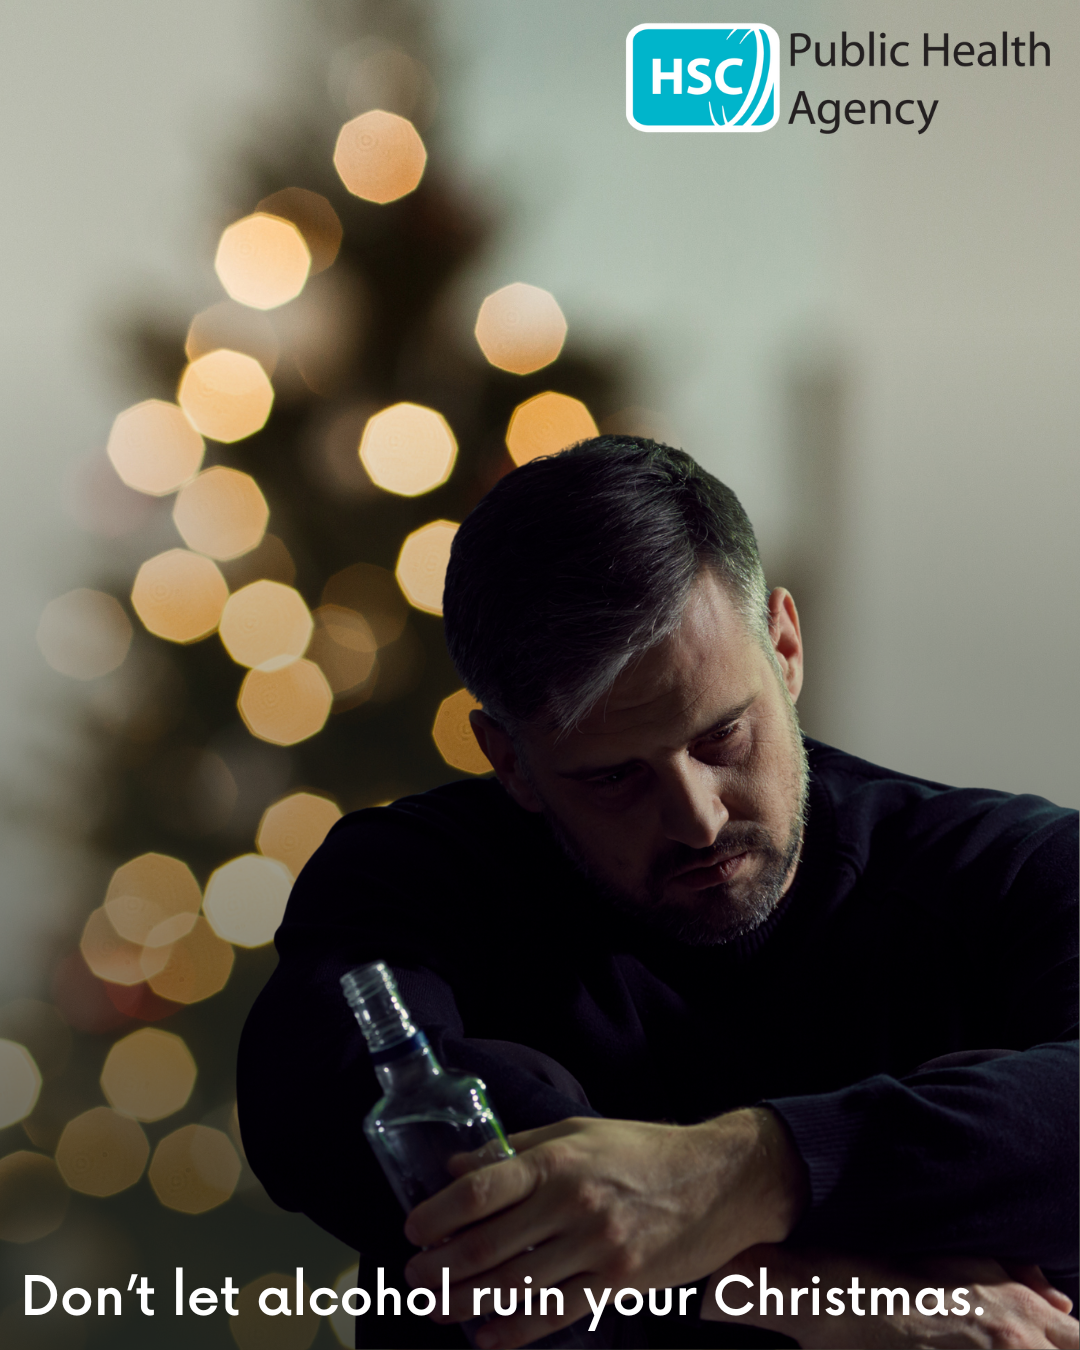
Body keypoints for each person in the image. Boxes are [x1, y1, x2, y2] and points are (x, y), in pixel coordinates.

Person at [238, 438, 1078, 1350]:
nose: (698, 819)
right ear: (509, 760)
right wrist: (811, 1288)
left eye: (722, 738)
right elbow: (317, 1102)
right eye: (612, 779)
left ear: (786, 647)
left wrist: (750, 1172)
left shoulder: (1007, 869)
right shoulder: (414, 880)